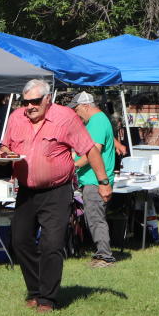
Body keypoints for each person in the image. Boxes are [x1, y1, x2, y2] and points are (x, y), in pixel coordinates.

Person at [0, 80, 112, 312]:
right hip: (26, 191)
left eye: (35, 102)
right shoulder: (16, 117)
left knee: (52, 244)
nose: (29, 106)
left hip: (57, 191)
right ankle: (35, 289)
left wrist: (103, 182)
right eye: (26, 102)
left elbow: (89, 149)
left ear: (47, 99)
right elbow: (5, 147)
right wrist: (3, 154)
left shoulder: (65, 117)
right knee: (19, 241)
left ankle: (47, 299)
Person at [71, 92, 117, 267]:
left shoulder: (97, 121)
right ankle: (101, 255)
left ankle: (105, 257)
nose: (76, 115)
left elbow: (93, 152)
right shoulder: (98, 120)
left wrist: (73, 165)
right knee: (94, 218)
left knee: (96, 219)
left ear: (85, 106)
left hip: (95, 180)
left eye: (76, 110)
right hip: (92, 179)